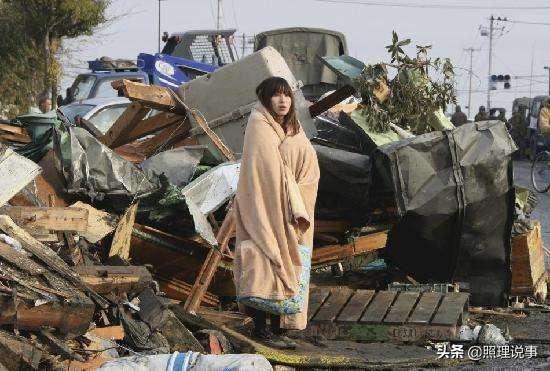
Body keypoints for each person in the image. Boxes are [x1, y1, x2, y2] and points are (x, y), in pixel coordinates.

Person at [233, 77, 320, 349]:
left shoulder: (289, 127)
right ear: (265, 99)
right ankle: (262, 329)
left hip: (289, 208)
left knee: (281, 266)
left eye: (287, 96)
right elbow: (268, 175)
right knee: (265, 262)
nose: (283, 101)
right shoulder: (260, 126)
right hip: (264, 206)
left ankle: (277, 327)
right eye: (276, 95)